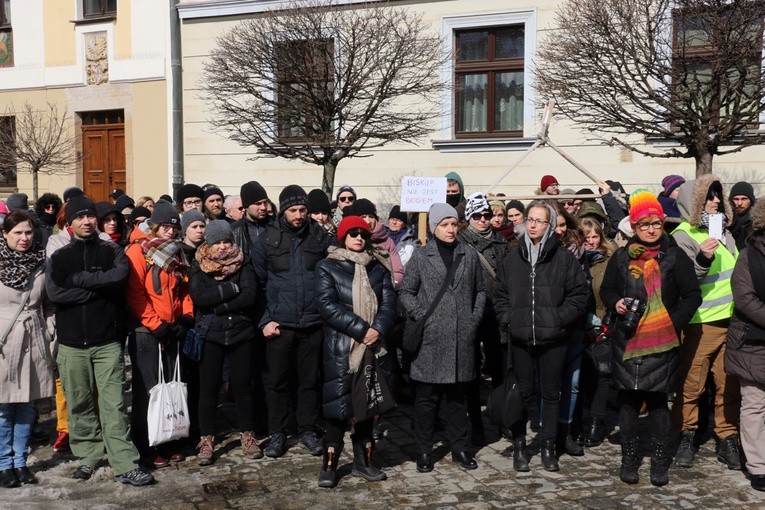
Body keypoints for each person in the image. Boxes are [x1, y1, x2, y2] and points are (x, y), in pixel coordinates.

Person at [46, 195, 153, 486]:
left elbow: (118, 279)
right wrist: (97, 286)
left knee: (114, 405)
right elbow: (56, 294)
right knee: (79, 404)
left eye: (90, 216)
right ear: (70, 224)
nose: (86, 221)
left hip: (107, 341)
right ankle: (88, 457)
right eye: (79, 218)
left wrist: (78, 281)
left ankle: (125, 463)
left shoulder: (112, 251)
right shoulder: (59, 257)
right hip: (71, 345)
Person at [600, 190, 701, 486]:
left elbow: (692, 295)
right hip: (628, 339)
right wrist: (616, 303)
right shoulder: (621, 257)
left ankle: (659, 461)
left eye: (655, 223)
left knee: (658, 403)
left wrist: (673, 322)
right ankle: (629, 457)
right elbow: (606, 290)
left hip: (663, 340)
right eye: (644, 224)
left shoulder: (674, 256)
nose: (651, 229)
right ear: (634, 227)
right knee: (629, 401)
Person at [494, 201, 588, 472]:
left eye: (539, 221)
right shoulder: (512, 260)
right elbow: (499, 294)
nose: (533, 225)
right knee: (521, 393)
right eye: (530, 220)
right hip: (521, 338)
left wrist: (558, 319)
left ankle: (548, 448)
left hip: (554, 339)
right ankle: (520, 447)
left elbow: (579, 295)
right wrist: (509, 319)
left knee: (551, 394)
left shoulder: (564, 259)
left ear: (550, 226)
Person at [399, 203, 486, 473]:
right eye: (444, 224)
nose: (450, 229)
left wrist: (473, 320)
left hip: (462, 339)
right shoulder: (422, 256)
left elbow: (481, 291)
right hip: (431, 339)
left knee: (458, 399)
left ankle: (460, 447)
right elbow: (405, 291)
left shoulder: (468, 254)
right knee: (427, 400)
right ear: (434, 227)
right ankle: (424, 451)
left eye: (453, 223)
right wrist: (422, 314)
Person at [314, 216, 397, 488]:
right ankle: (330, 466)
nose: (359, 238)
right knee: (338, 408)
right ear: (343, 237)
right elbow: (327, 305)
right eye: (353, 233)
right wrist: (362, 329)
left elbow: (388, 303)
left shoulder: (378, 267)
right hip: (342, 347)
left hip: (374, 346)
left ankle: (364, 463)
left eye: (363, 233)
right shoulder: (327, 266)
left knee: (366, 406)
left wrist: (378, 329)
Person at [252, 185, 330, 458]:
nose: (298, 215)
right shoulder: (267, 239)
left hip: (312, 323)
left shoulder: (320, 237)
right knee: (277, 383)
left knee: (309, 381)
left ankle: (307, 429)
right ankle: (278, 433)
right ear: (283, 210)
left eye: (302, 210)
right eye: (293, 210)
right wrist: (265, 321)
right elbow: (257, 284)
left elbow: (327, 281)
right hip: (279, 325)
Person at [671, 175, 741, 470]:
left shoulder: (726, 232)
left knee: (729, 383)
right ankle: (686, 434)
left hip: (733, 321)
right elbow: (684, 283)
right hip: (701, 323)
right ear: (694, 201)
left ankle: (727, 436)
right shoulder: (682, 235)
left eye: (717, 195)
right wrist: (702, 258)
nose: (715, 200)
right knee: (692, 384)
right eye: (709, 196)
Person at [125, 201, 194, 469]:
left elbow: (184, 289)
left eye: (173, 226)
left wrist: (186, 316)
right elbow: (136, 295)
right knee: (149, 390)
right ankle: (147, 445)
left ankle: (169, 439)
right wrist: (156, 325)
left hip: (172, 328)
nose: (169, 231)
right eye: (165, 226)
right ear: (154, 226)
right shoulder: (138, 252)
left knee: (172, 386)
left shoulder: (177, 253)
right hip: (147, 331)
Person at [189, 220, 261, 465]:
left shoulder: (244, 261)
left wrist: (220, 304)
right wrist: (231, 288)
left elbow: (250, 295)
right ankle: (207, 438)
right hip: (211, 334)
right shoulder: (199, 264)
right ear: (209, 243)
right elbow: (199, 297)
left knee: (242, 386)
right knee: (209, 388)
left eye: (226, 241)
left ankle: (248, 434)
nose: (222, 247)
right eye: (217, 242)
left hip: (241, 332)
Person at [0, 211, 52, 488]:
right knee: (4, 406)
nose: (24, 238)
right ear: (5, 234)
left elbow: (49, 302)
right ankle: (4, 464)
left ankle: (21, 461)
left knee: (29, 405)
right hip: (4, 341)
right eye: (18, 232)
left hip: (34, 337)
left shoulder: (42, 262)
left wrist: (50, 330)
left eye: (28, 233)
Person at [458, 193, 508, 444]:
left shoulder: (501, 242)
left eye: (486, 215)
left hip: (497, 314)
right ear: (469, 218)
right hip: (470, 312)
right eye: (477, 215)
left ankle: (501, 419)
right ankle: (475, 423)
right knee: (471, 369)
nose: (483, 220)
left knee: (500, 369)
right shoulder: (460, 243)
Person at [725, 198, 765, 492]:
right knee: (755, 404)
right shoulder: (749, 255)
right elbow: (745, 299)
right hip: (753, 340)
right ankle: (758, 466)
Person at [579, 217, 614, 447]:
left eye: (595, 237)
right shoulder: (574, 259)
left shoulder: (610, 260)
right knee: (584, 377)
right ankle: (581, 419)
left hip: (603, 323)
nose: (591, 242)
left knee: (603, 374)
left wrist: (607, 322)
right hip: (579, 324)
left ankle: (596, 422)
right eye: (586, 237)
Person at [729, 181, 756, 250]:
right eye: (736, 199)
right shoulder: (725, 221)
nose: (739, 203)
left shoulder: (757, 222)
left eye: (744, 199)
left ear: (751, 200)